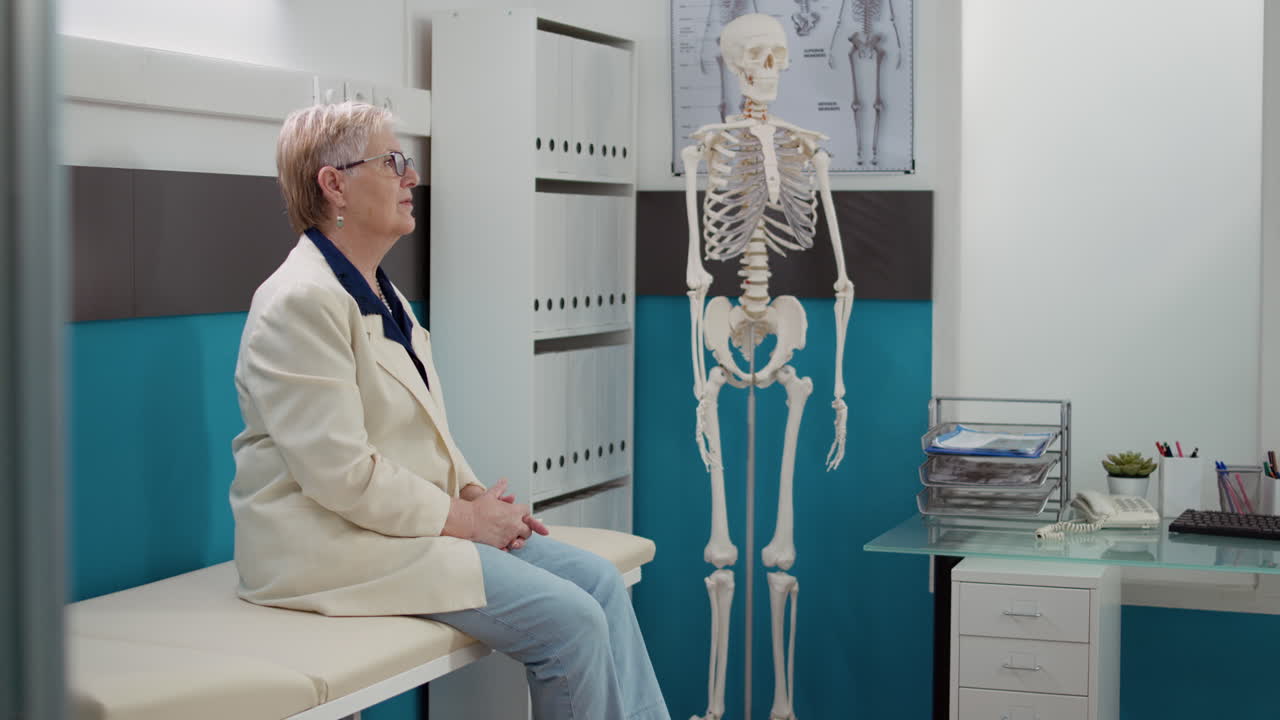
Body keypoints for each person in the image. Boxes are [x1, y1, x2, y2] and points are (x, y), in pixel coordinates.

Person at [229, 102, 669, 720]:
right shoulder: (298, 302)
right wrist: (466, 523)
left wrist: (473, 495)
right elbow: (340, 474)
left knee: (599, 584)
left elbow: (426, 429)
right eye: (393, 162)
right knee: (570, 623)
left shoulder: (380, 291)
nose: (412, 178)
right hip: (327, 547)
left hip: (397, 526)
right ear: (334, 184)